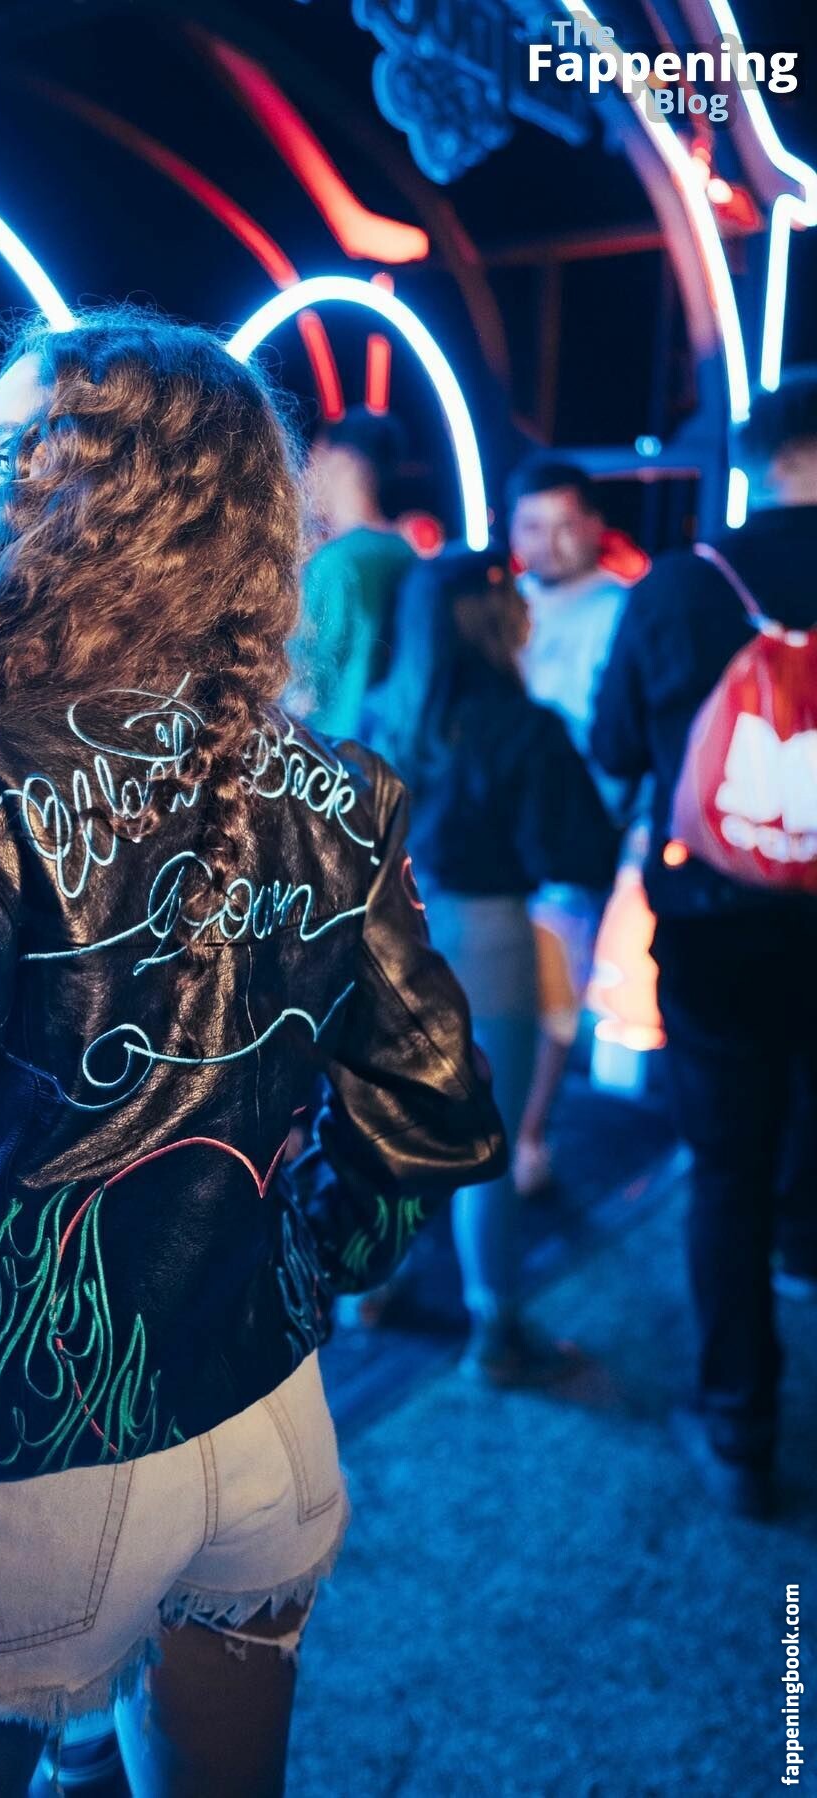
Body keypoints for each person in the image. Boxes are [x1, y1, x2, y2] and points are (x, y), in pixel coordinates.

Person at [0, 309, 505, 1798]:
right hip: (265, 1436)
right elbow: (435, 1112)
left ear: (61, 503)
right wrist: (291, 1269)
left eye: (0, 458)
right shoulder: (336, 786)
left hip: (11, 1484)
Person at [591, 371, 817, 1519]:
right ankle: (806, 1246)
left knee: (724, 1167)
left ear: (759, 458)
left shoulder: (685, 584)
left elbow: (616, 744)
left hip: (718, 929)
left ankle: (740, 1427)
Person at [364, 549, 618, 1384]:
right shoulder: (524, 727)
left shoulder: (381, 718)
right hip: (487, 937)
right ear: (491, 620)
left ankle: (371, 1285)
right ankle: (496, 1333)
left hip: (387, 939)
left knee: (398, 1126)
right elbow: (578, 852)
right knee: (487, 1144)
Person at [506, 459, 632, 1198]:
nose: (547, 543)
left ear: (593, 526)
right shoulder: (502, 603)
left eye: (563, 525)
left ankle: (528, 1135)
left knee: (555, 983)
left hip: (576, 826)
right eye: (532, 526)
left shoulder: (622, 608)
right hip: (500, 830)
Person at [282, 410, 414, 743]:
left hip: (331, 748)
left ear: (341, 462)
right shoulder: (405, 552)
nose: (306, 474)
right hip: (386, 745)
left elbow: (304, 675)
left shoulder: (336, 562)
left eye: (314, 460)